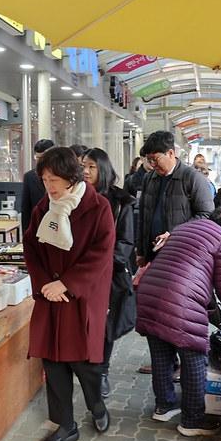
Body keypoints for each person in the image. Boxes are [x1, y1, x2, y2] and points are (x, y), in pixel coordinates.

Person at [23, 147, 116, 441]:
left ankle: (96, 404)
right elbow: (32, 246)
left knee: (83, 359)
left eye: (54, 178)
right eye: (44, 178)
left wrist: (68, 283)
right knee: (52, 359)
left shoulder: (98, 206)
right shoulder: (43, 208)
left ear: (71, 176)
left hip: (81, 295)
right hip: (50, 293)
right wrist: (45, 284)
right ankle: (65, 426)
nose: (49, 185)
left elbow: (102, 253)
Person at [135, 207, 221, 436]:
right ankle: (192, 420)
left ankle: (164, 406)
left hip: (149, 293)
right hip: (180, 299)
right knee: (194, 358)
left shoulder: (183, 228)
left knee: (162, 354)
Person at [135, 131, 214, 376]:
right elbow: (144, 216)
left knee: (178, 312)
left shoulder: (192, 179)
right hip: (154, 257)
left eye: (155, 158)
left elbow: (207, 216)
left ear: (171, 153)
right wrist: (141, 250)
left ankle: (185, 362)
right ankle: (166, 361)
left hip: (183, 261)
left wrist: (175, 233)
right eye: (148, 160)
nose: (152, 164)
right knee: (158, 311)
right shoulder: (150, 179)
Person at [82, 148, 137, 398]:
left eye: (91, 166)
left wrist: (101, 263)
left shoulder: (120, 201)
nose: (85, 171)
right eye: (83, 165)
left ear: (102, 169)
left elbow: (126, 242)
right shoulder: (74, 196)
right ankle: (85, 367)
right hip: (79, 273)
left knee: (106, 324)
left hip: (109, 273)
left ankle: (102, 372)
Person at [21, 139, 55, 230]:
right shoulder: (29, 177)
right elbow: (26, 209)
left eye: (43, 158)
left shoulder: (63, 176)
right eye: (38, 158)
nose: (41, 162)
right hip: (38, 226)